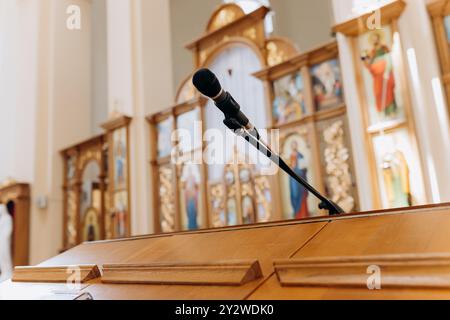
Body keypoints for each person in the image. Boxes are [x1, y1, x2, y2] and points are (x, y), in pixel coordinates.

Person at [288, 141, 309, 219]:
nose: (294, 146)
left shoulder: (300, 155)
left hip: (300, 178)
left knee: (301, 194)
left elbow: (303, 168)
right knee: (294, 194)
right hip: (293, 179)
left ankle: (304, 214)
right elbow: (289, 167)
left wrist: (299, 169)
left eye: (295, 145)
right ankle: (297, 215)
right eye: (292, 145)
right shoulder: (290, 156)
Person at [0, 204, 13, 282]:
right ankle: (4, 272)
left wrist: (4, 237)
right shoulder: (1, 219)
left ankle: (8, 272)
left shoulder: (8, 218)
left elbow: (8, 230)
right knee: (1, 256)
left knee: (5, 255)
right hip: (1, 240)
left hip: (4, 241)